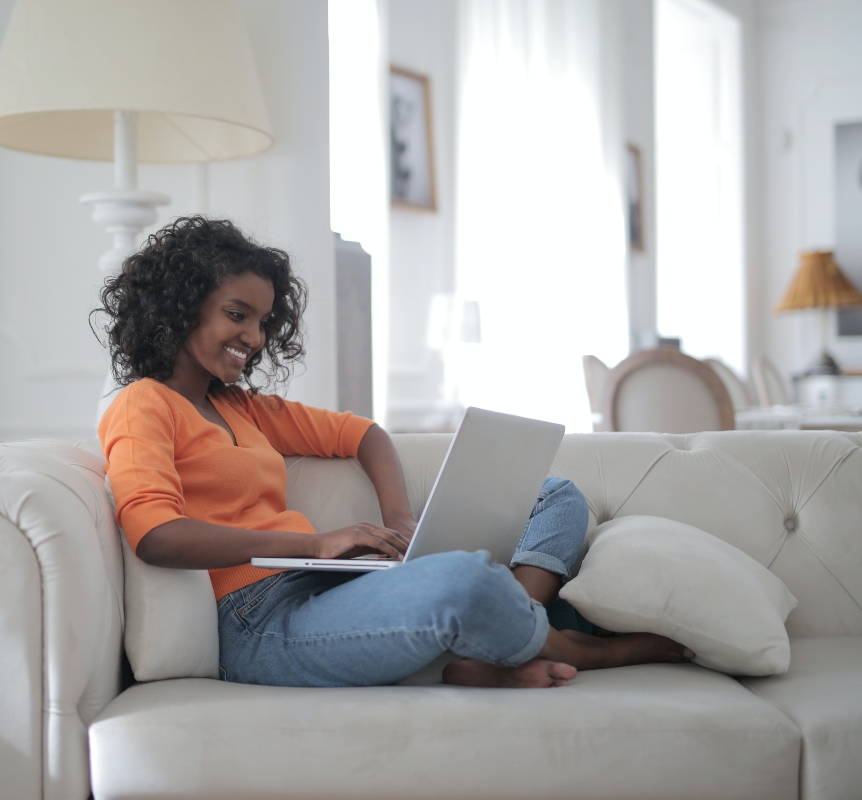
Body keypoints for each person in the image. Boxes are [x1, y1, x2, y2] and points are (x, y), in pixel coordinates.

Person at [95, 216, 692, 689]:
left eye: (262, 322)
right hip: (258, 624)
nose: (253, 338)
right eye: (237, 315)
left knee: (554, 492)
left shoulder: (241, 407)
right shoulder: (142, 404)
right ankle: (564, 644)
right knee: (461, 578)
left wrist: (401, 519)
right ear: (180, 304)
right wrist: (311, 544)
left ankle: (497, 644)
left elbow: (365, 434)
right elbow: (157, 535)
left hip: (322, 589)